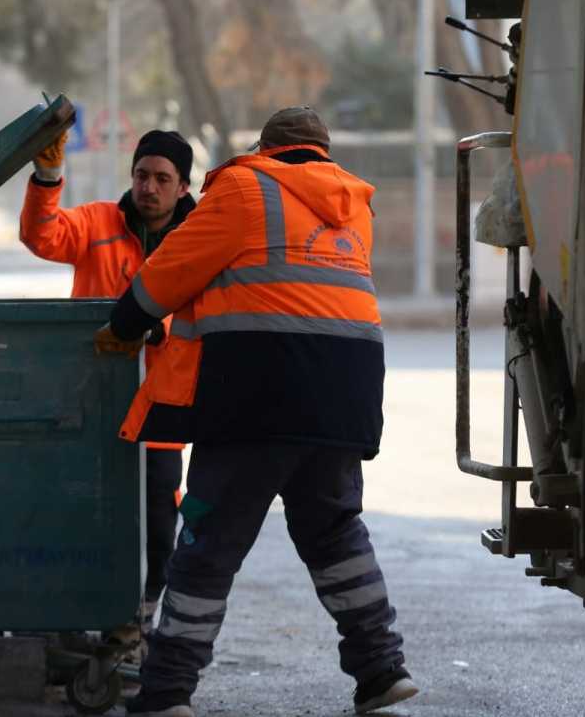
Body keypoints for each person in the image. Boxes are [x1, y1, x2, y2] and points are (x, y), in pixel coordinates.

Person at [96, 106, 418, 717]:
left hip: (258, 395)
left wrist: (124, 321)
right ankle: (381, 669)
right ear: (321, 153)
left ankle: (165, 694)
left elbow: (170, 271)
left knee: (206, 545)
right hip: (346, 398)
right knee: (335, 534)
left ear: (267, 147)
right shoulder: (355, 204)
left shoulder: (245, 186)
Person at [20, 127, 196, 638]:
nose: (149, 187)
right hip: (93, 400)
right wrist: (48, 176)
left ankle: (136, 622)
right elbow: (42, 236)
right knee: (82, 515)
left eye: (163, 178)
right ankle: (76, 620)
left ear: (182, 187)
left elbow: (207, 308)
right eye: (142, 175)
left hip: (162, 406)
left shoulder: (201, 237)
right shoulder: (98, 222)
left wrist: (157, 327)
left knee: (160, 529)